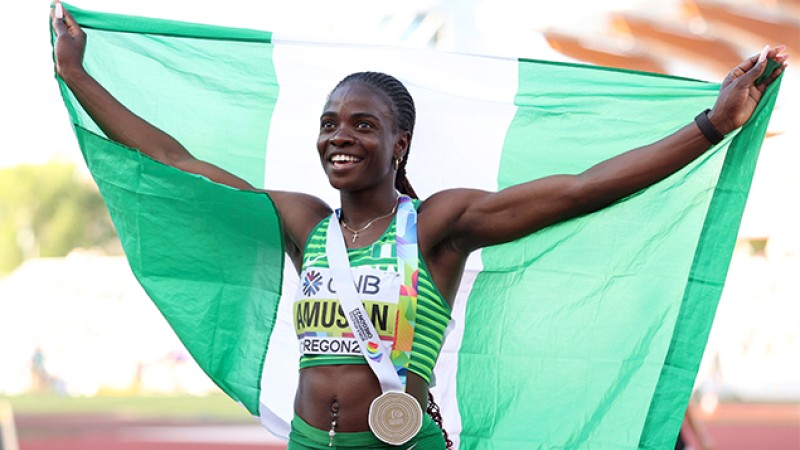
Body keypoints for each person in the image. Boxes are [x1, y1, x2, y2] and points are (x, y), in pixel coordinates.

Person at [51, 1, 787, 448]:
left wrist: (710, 126)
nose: (340, 136)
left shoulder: (439, 224)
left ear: (399, 143)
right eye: (330, 123)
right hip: (312, 442)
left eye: (362, 125)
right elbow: (173, 157)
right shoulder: (300, 220)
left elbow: (579, 190)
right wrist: (82, 76)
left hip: (403, 445)